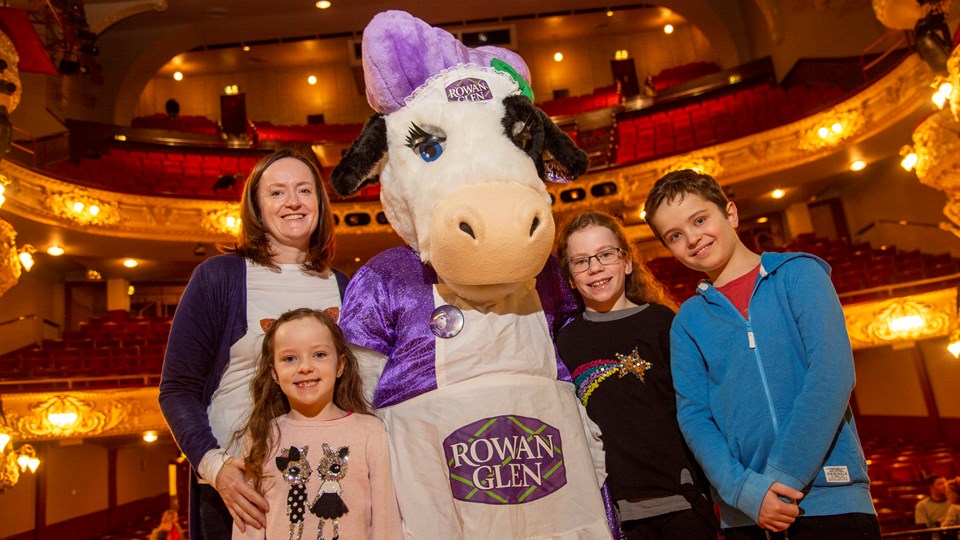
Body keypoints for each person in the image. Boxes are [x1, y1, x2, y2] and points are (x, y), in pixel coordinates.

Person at [644, 169, 880, 539]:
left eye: (700, 219)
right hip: (748, 514)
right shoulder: (687, 322)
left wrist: (780, 480)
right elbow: (695, 418)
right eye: (675, 235)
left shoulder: (800, 275)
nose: (692, 238)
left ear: (731, 214)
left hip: (830, 500)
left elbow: (831, 377)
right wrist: (748, 493)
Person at [159, 148, 349, 540]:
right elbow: (177, 390)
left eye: (304, 190)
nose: (293, 202)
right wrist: (215, 467)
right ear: (257, 208)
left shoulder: (344, 285)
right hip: (238, 489)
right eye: (277, 193)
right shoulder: (220, 277)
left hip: (322, 481)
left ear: (320, 202)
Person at [554, 210, 718, 540]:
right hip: (613, 516)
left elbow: (700, 409)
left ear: (627, 262)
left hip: (682, 504)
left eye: (605, 255)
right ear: (570, 278)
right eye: (581, 261)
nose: (595, 268)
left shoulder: (662, 323)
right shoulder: (566, 342)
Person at [231, 308, 401, 540]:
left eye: (319, 354)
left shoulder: (370, 432)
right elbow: (249, 525)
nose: (305, 367)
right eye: (289, 358)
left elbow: (386, 521)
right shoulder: (263, 434)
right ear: (274, 374)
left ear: (340, 365)